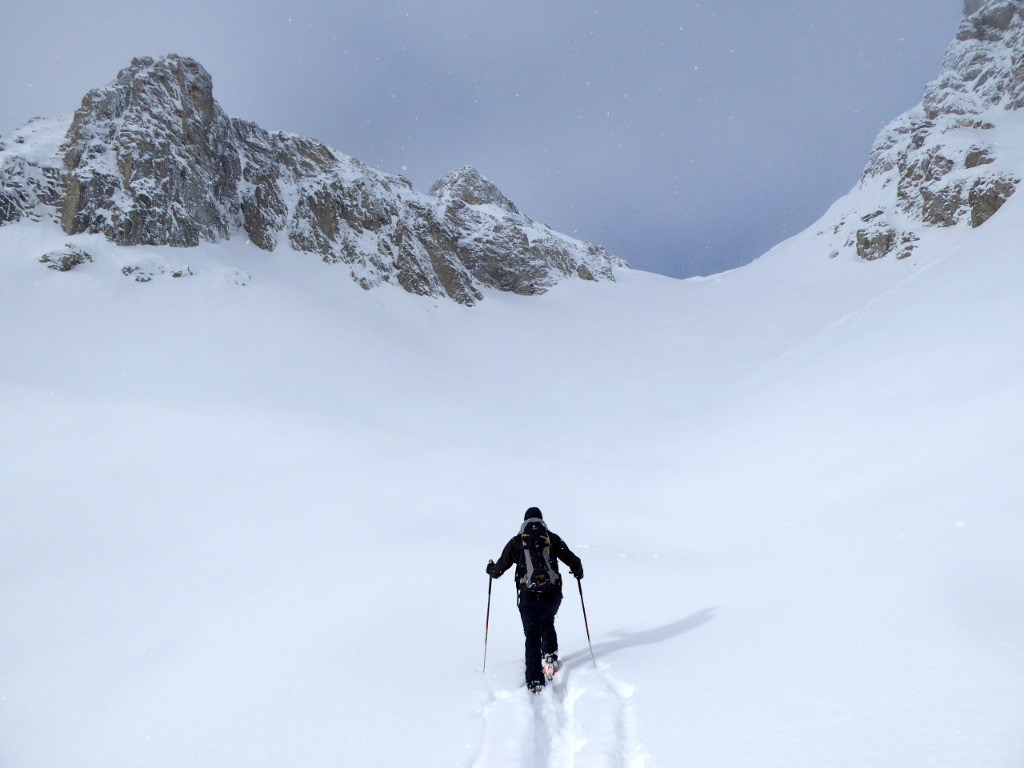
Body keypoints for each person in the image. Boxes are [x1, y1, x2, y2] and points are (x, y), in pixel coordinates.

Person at [486, 507, 583, 692]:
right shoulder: (552, 538)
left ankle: (534, 679)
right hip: (551, 594)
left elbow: (498, 570)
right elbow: (574, 561)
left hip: (528, 596)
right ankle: (550, 657)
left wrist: (490, 569)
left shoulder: (517, 542)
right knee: (547, 621)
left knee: (532, 634)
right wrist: (578, 572)